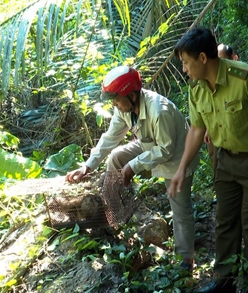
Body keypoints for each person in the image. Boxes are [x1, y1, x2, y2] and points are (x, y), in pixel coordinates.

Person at [168, 28, 248, 293]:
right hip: (224, 161)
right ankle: (223, 282)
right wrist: (181, 168)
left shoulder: (246, 78)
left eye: (186, 63)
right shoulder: (196, 89)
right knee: (225, 222)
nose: (185, 70)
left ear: (202, 58)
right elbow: (197, 129)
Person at [66, 65, 199, 270]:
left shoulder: (158, 111)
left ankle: (186, 260)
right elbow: (111, 137)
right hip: (150, 144)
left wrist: (133, 166)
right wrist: (88, 166)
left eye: (116, 99)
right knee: (117, 157)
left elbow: (166, 149)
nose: (115, 105)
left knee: (179, 208)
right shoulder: (124, 109)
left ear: (132, 95)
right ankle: (111, 214)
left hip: (177, 156)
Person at [205, 43, 240, 187]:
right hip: (215, 130)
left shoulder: (244, 79)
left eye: (223, 60)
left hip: (236, 134)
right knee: (216, 160)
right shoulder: (209, 81)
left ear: (234, 58)